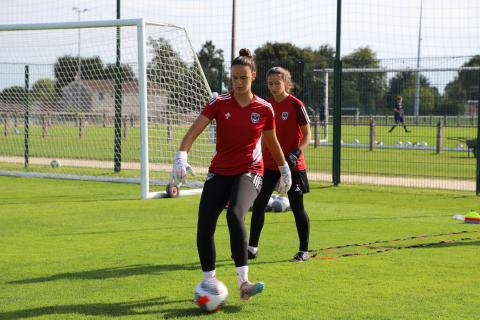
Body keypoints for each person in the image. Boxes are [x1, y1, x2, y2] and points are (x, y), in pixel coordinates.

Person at [171, 49, 292, 300]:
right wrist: (181, 156)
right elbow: (193, 132)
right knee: (204, 225)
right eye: (234, 78)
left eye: (243, 78)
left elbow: (272, 142)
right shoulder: (219, 103)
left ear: (253, 77)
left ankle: (243, 282)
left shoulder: (265, 108)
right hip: (219, 171)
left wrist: (283, 169)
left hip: (250, 171)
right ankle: (209, 283)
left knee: (235, 214)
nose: (238, 83)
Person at [248, 66, 313, 263]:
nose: (274, 87)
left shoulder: (295, 104)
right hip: (268, 164)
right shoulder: (265, 105)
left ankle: (303, 251)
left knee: (297, 206)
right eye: (270, 83)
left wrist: (296, 152)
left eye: (278, 83)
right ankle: (252, 248)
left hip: (293, 165)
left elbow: (307, 134)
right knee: (258, 204)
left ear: (286, 82)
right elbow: (259, 135)